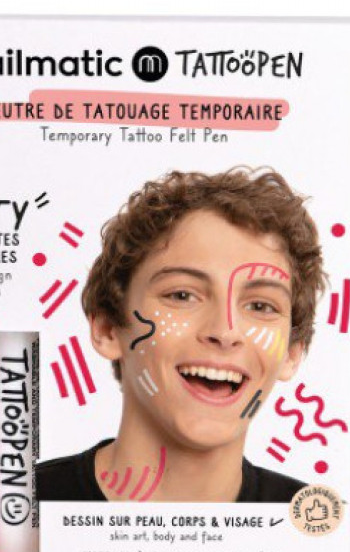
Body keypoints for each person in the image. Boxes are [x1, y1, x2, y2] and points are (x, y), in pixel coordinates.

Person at [37, 167, 326, 503]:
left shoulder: (313, 524)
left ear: (292, 353)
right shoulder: (8, 512)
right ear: (108, 329)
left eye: (261, 306)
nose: (225, 331)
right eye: (182, 295)